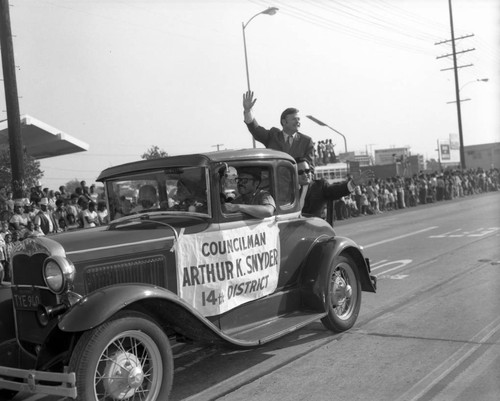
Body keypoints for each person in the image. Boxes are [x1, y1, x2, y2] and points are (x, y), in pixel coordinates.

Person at [242, 91, 315, 167]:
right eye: (294, 119)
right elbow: (255, 129)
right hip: (276, 178)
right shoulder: (272, 136)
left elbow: (310, 168)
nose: (298, 122)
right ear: (284, 122)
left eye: (299, 119)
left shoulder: (306, 141)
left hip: (296, 179)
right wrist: (247, 111)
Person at [296, 158, 374, 218]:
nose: (305, 174)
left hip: (314, 231)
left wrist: (353, 183)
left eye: (307, 171)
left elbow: (337, 190)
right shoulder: (287, 189)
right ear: (293, 173)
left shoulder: (320, 186)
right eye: (300, 172)